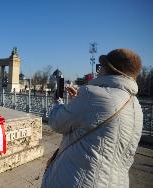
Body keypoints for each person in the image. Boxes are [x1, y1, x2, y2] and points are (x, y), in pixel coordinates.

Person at [41, 49, 143, 188]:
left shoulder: (93, 95)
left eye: (100, 67)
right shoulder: (136, 106)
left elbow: (56, 122)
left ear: (109, 69)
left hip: (78, 180)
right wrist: (78, 102)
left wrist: (58, 102)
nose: (98, 71)